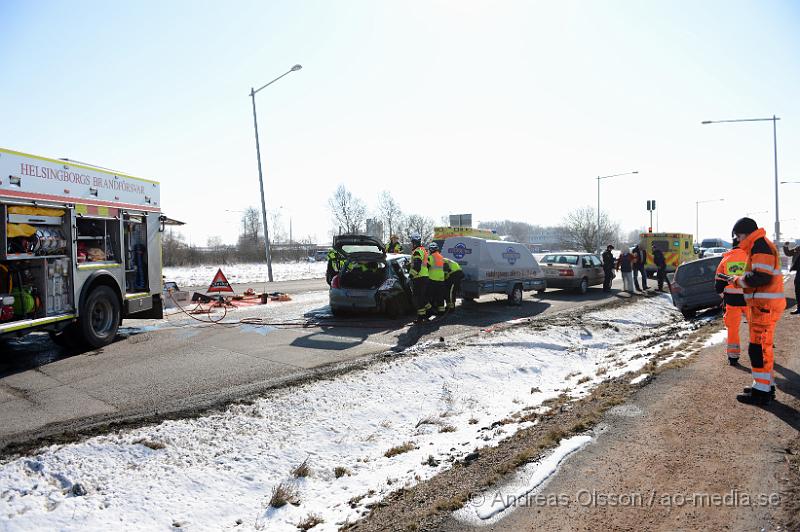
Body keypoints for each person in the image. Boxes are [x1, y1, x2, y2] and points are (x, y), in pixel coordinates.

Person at [729, 217, 785, 405]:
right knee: (761, 348)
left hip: (764, 307)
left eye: (738, 235)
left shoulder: (760, 246)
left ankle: (761, 392)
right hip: (763, 306)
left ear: (745, 233)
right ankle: (763, 385)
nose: (737, 239)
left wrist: (738, 281)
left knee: (758, 349)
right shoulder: (758, 245)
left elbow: (761, 277)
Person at [714, 238, 750, 366]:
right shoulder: (751, 257)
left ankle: (733, 357)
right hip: (750, 300)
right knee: (757, 327)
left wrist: (724, 296)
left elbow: (718, 285)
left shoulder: (726, 259)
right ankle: (762, 353)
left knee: (733, 329)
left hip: (732, 301)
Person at [408, 233, 431, 323]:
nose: (411, 244)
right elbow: (427, 264)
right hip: (424, 276)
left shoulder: (417, 251)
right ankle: (428, 313)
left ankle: (421, 317)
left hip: (419, 277)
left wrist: (410, 276)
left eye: (412, 242)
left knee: (417, 298)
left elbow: (417, 266)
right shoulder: (423, 250)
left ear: (414, 242)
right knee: (422, 297)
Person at [427, 242, 447, 315]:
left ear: (430, 249)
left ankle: (432, 311)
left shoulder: (430, 257)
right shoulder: (441, 257)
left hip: (432, 279)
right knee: (440, 296)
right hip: (441, 279)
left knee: (431, 296)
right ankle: (441, 311)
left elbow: (426, 267)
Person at [784, 241, 800, 314]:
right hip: (799, 272)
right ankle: (799, 308)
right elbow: (788, 253)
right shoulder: (798, 248)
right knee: (797, 289)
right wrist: (785, 246)